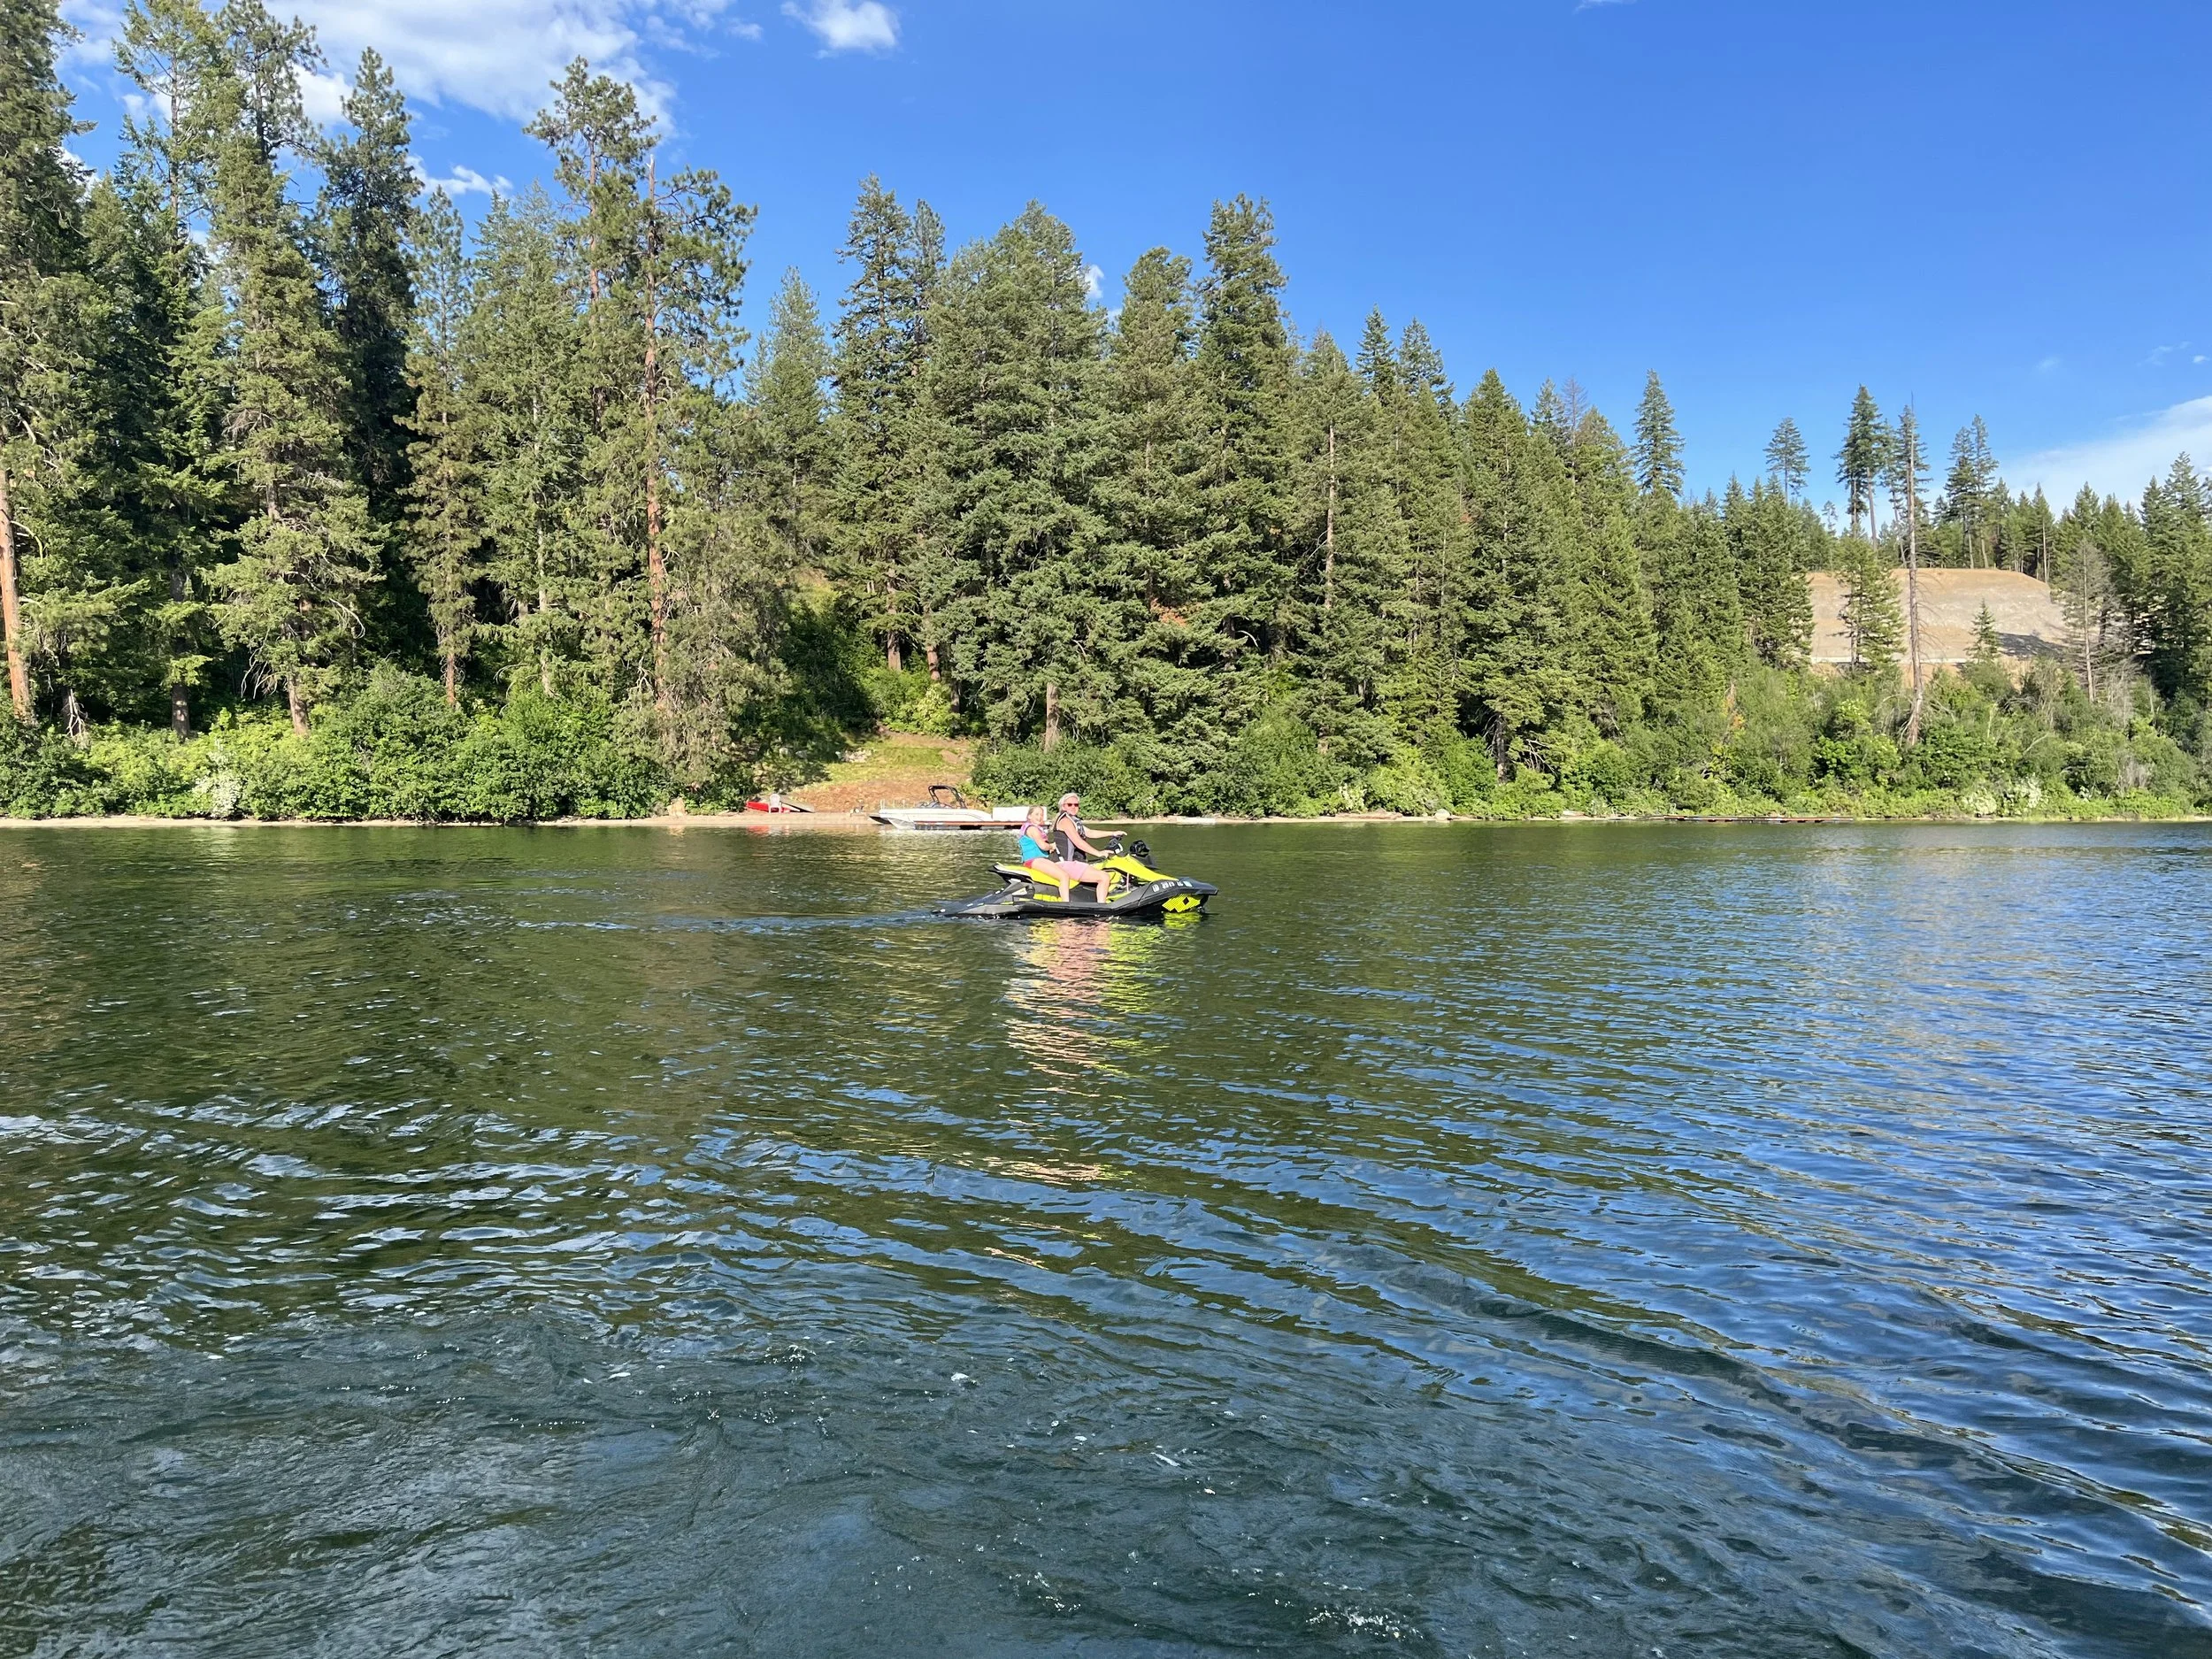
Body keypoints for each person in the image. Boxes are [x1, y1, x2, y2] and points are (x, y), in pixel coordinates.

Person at [1019, 803, 1109, 902]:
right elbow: (1043, 846)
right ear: (1029, 816)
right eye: (1036, 814)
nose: (1039, 817)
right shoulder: (1033, 829)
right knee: (1064, 876)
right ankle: (1066, 903)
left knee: (1063, 874)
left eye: (1041, 814)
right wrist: (1051, 846)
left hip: (1036, 860)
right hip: (1034, 860)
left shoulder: (1033, 829)